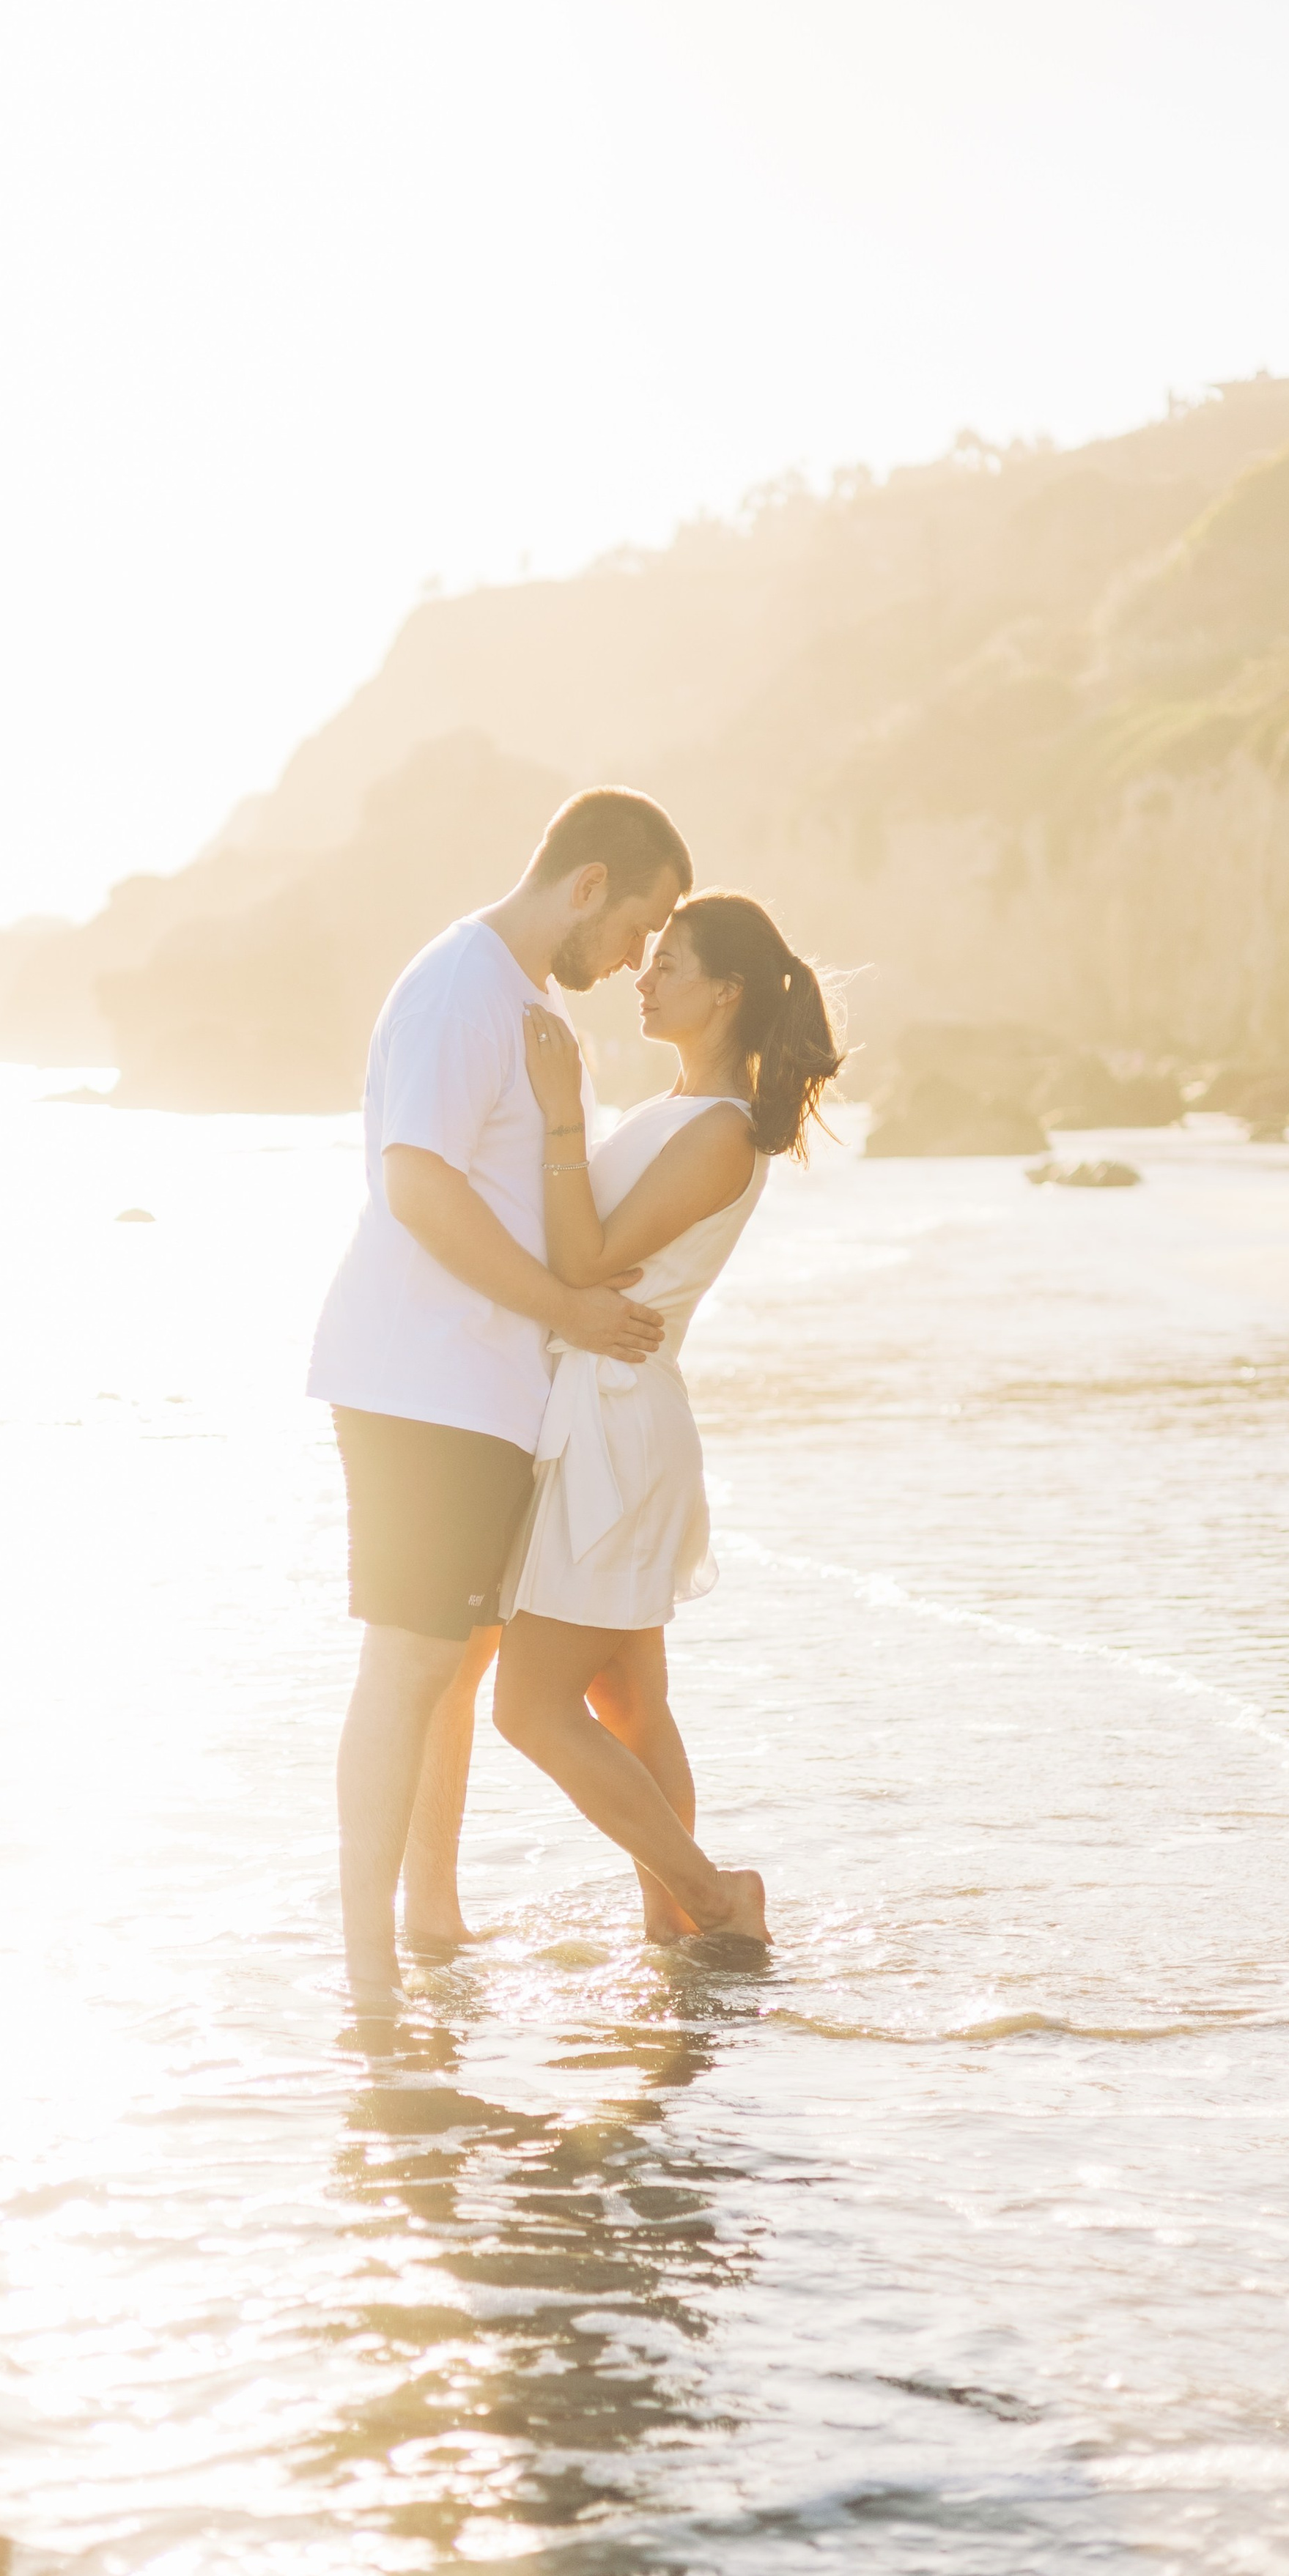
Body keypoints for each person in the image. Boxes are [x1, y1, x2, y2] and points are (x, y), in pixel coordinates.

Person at [309, 788, 693, 2010]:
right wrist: (565, 1309)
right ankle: (367, 1961)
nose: (638, 955)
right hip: (422, 1380)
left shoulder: (515, 1003)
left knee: (445, 1667)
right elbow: (416, 1187)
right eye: (642, 923)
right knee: (410, 1663)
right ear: (588, 886)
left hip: (474, 1389)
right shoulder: (462, 990)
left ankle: (429, 1921)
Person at [492, 891, 843, 1946]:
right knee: (630, 1707)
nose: (643, 976)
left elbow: (587, 1261)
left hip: (617, 1428)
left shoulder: (725, 1135)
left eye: (672, 965)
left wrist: (561, 1111)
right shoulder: (675, 1115)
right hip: (604, 1413)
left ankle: (712, 1894)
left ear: (727, 993)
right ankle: (674, 1933)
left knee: (528, 1710)